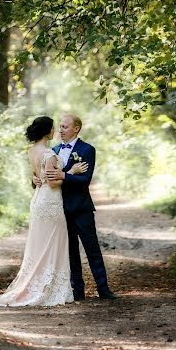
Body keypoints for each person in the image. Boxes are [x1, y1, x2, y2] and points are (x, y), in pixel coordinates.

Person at [0, 116, 87, 307]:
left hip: (38, 200)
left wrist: (39, 178)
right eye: (53, 128)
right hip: (50, 202)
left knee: (39, 245)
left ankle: (37, 284)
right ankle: (47, 288)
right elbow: (52, 182)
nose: (56, 131)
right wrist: (71, 173)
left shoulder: (31, 151)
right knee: (53, 244)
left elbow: (37, 177)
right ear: (47, 131)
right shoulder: (49, 154)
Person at [37, 114, 116, 301]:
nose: (61, 130)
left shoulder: (87, 149)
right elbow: (48, 179)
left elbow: (84, 181)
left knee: (92, 249)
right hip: (60, 208)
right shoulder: (53, 151)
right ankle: (77, 291)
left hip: (81, 208)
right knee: (70, 252)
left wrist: (63, 176)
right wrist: (36, 181)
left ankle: (103, 289)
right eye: (60, 127)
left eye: (65, 127)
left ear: (76, 128)